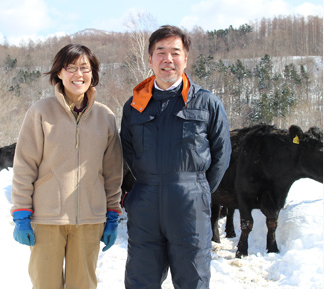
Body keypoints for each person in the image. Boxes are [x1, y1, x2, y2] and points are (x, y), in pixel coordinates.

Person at [120, 25, 232, 289]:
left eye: (175, 52)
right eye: (160, 52)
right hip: (146, 205)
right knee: (140, 281)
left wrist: (197, 189)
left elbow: (221, 154)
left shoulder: (206, 103)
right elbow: (128, 152)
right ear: (150, 59)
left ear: (185, 58)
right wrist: (149, 184)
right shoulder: (134, 106)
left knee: (193, 281)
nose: (167, 59)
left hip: (190, 206)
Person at [11, 44, 123, 289]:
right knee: (45, 285)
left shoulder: (106, 117)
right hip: (47, 219)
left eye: (84, 68)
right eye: (70, 68)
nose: (78, 74)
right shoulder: (40, 112)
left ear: (93, 74)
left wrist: (112, 214)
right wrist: (21, 213)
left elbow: (113, 173)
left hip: (90, 221)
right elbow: (24, 166)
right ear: (59, 73)